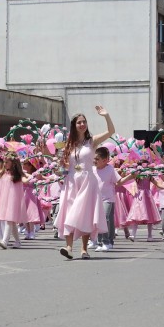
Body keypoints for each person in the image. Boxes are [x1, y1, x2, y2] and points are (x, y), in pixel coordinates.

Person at [55, 106, 115, 260]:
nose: (82, 124)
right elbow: (63, 167)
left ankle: (83, 249)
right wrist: (59, 167)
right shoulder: (69, 145)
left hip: (88, 181)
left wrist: (106, 116)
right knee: (68, 211)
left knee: (85, 214)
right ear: (74, 126)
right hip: (71, 181)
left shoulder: (92, 141)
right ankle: (68, 247)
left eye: (84, 122)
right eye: (79, 122)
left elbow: (110, 131)